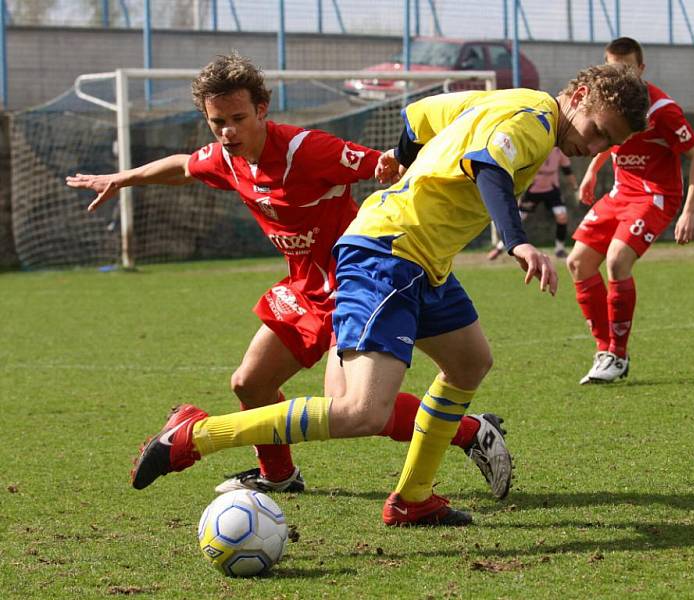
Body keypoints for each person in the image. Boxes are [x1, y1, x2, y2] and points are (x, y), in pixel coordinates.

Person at [129, 64, 650, 527]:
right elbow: (490, 166)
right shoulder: (535, 120)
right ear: (578, 95)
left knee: (470, 362)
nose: (596, 147)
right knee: (360, 411)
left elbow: (418, 116)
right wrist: (516, 241)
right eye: (598, 130)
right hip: (391, 252)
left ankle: (413, 500)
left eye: (609, 143)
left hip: (421, 256)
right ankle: (195, 437)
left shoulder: (503, 99)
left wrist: (404, 169)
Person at [65, 52, 514, 500]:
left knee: (351, 406)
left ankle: (469, 431)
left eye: (238, 118)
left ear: (262, 109)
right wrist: (123, 178)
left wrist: (388, 169)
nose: (228, 131)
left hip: (352, 281)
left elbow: (387, 165)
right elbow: (185, 166)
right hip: (304, 286)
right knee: (250, 382)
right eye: (217, 121)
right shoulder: (229, 156)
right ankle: (278, 474)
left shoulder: (306, 150)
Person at [567, 37, 694, 385]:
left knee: (616, 260)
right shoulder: (607, 101)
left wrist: (690, 211)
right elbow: (608, 139)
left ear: (641, 69)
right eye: (612, 68)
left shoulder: (661, 109)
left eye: (626, 69)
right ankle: (604, 350)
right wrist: (592, 172)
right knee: (577, 262)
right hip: (620, 194)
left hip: (656, 196)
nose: (619, 75)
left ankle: (617, 353)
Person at [486, 147, 577, 260]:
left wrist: (575, 188)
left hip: (552, 190)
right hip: (533, 190)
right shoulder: (536, 149)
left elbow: (567, 170)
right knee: (517, 218)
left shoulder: (559, 151)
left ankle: (560, 249)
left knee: (562, 216)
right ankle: (500, 248)